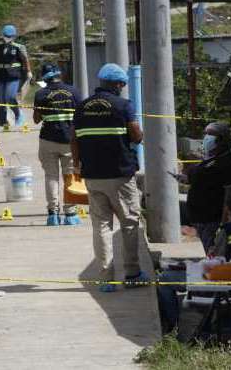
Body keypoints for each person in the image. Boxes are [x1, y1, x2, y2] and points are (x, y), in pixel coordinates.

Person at [71, 63, 147, 293]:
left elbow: (74, 139)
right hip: (120, 174)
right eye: (123, 84)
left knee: (101, 226)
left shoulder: (82, 107)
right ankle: (132, 273)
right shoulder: (123, 105)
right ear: (117, 84)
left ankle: (106, 278)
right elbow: (136, 136)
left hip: (93, 175)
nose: (124, 87)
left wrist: (77, 163)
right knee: (129, 223)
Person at [157, 193, 231, 332]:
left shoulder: (226, 231)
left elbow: (215, 261)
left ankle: (174, 326)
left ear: (227, 209)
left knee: (164, 279)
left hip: (219, 277)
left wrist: (190, 266)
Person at [175, 122, 231, 252]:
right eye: (205, 133)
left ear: (221, 139)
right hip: (200, 217)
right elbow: (202, 179)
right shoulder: (210, 159)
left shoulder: (229, 163)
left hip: (213, 219)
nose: (206, 137)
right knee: (208, 251)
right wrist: (186, 179)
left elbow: (230, 194)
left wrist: (223, 223)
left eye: (210, 134)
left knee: (212, 252)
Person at [33, 63, 82, 226]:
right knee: (69, 176)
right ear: (59, 75)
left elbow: (36, 119)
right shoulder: (73, 91)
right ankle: (70, 214)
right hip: (70, 141)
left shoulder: (40, 94)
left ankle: (53, 214)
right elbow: (81, 116)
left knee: (51, 177)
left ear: (45, 78)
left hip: (48, 140)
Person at [0, 24, 32, 128]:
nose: (7, 38)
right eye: (6, 36)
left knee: (10, 97)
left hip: (13, 75)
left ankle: (18, 115)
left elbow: (25, 60)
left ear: (14, 36)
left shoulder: (19, 47)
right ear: (2, 35)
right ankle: (2, 120)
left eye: (10, 36)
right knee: (0, 99)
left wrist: (29, 72)